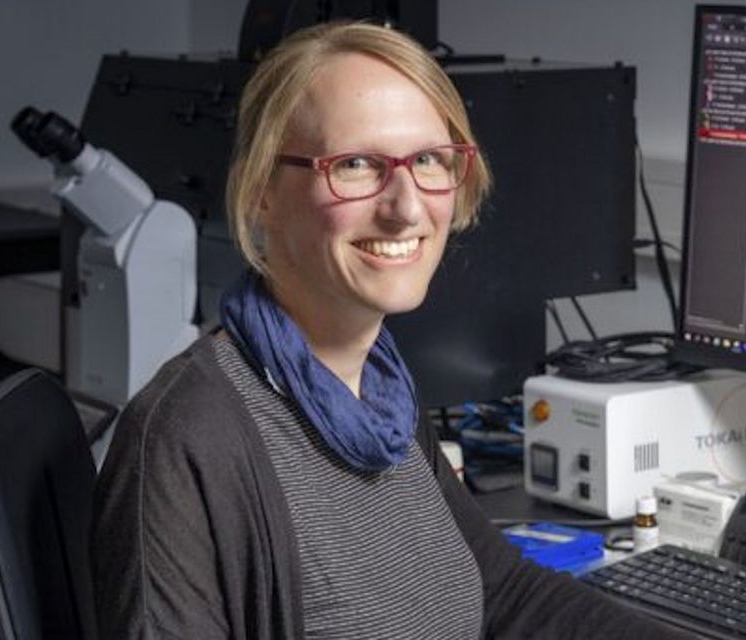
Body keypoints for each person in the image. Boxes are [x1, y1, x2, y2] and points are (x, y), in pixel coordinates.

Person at [91, 22, 684, 640]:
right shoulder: (188, 440)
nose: (405, 207)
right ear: (261, 191)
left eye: (428, 159)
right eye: (355, 165)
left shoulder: (378, 394)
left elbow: (502, 591)